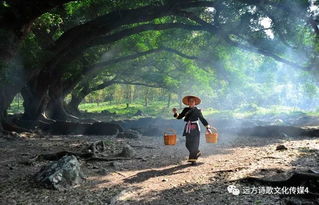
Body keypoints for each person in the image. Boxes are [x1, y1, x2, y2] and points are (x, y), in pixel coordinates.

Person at [172, 95, 216, 165]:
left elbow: (202, 119)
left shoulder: (197, 110)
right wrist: (175, 112)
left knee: (195, 144)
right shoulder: (186, 110)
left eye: (193, 101)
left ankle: (193, 160)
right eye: (190, 101)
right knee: (188, 144)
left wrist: (208, 128)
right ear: (188, 102)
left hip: (195, 128)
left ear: (195, 102)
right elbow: (179, 117)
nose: (191, 102)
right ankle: (197, 152)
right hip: (188, 128)